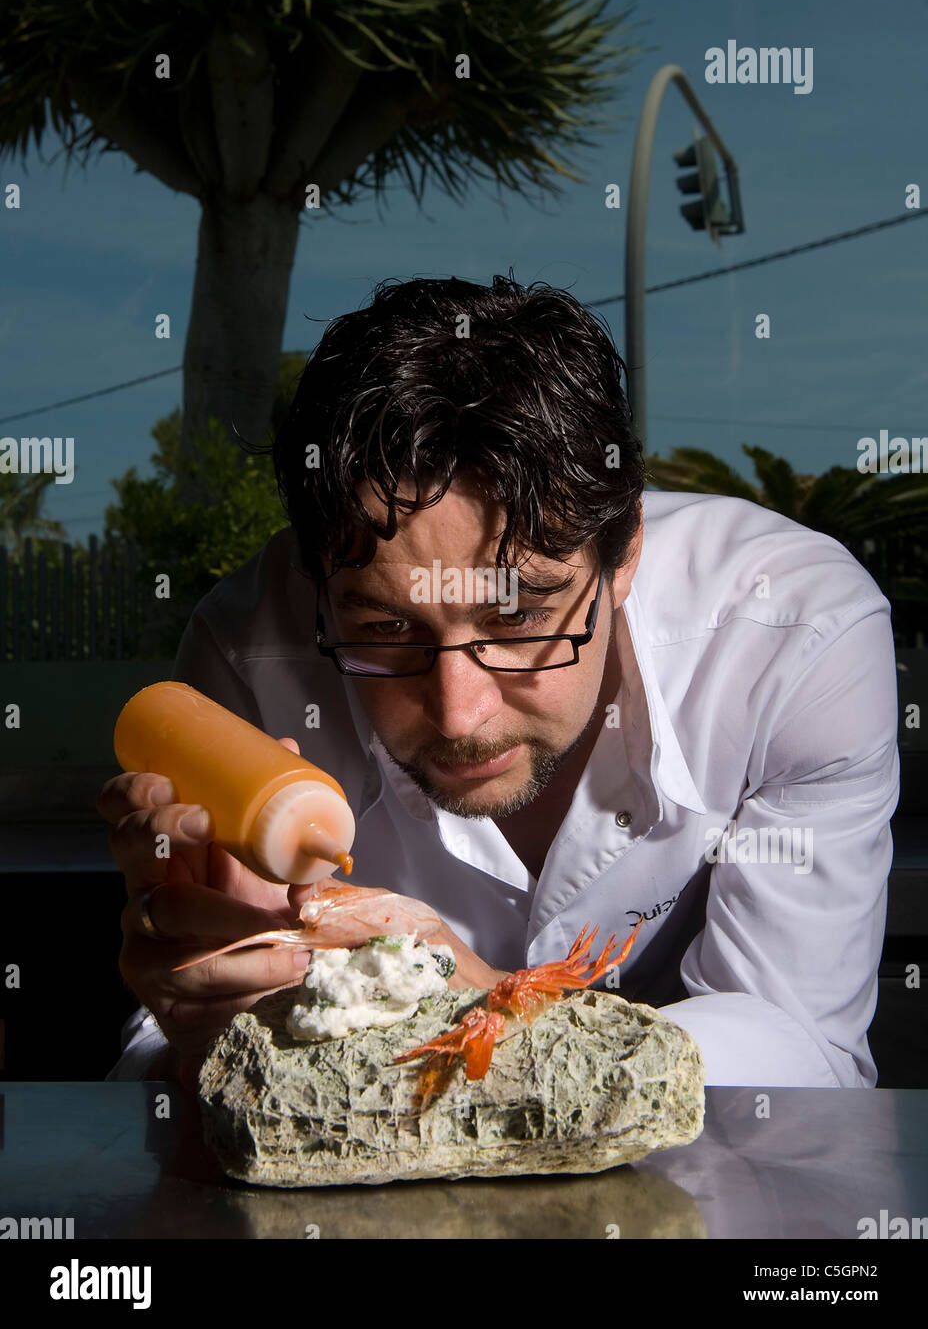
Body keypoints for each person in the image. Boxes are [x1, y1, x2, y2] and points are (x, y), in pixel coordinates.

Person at [97, 274, 899, 1090]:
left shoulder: (793, 642)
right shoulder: (246, 659)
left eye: (519, 622)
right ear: (319, 591)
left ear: (623, 558)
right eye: (384, 629)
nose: (458, 712)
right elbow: (155, 1077)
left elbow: (799, 1058)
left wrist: (485, 1004)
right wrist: (201, 1028)